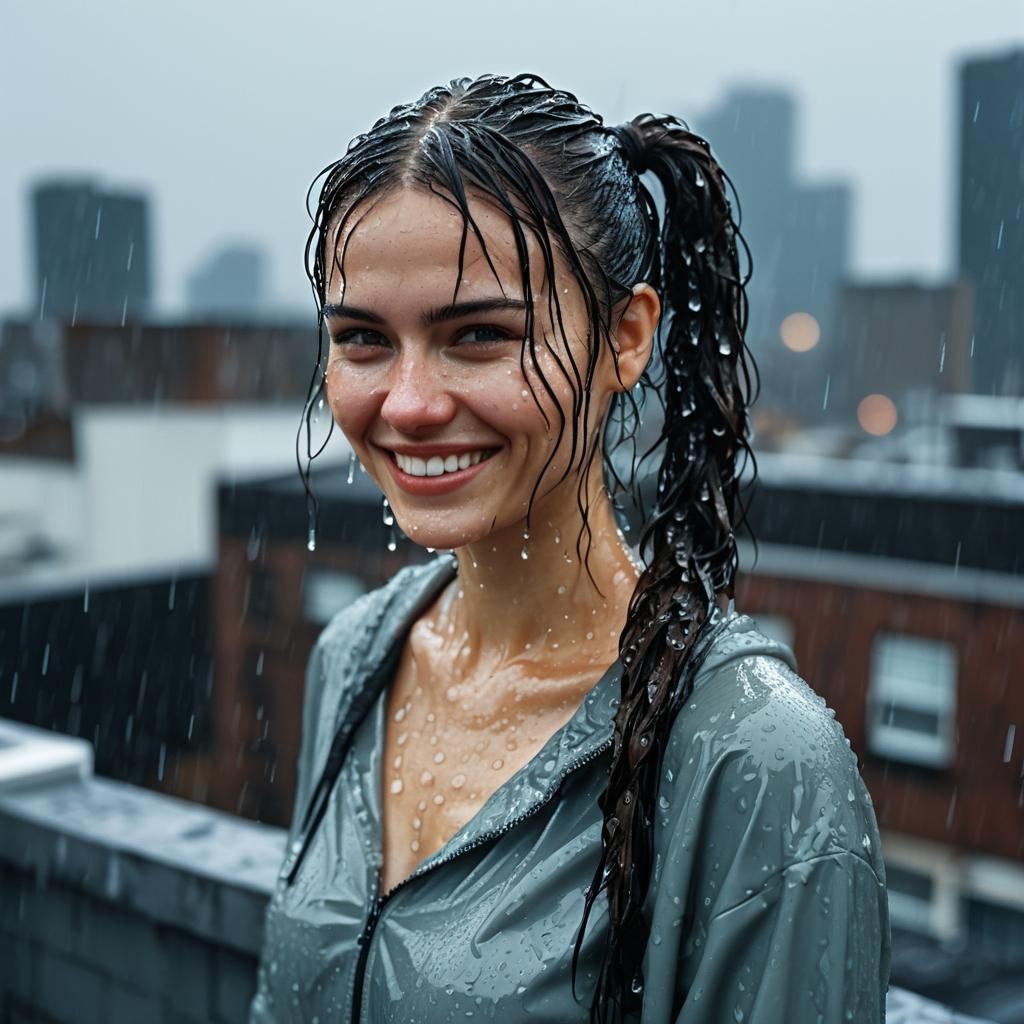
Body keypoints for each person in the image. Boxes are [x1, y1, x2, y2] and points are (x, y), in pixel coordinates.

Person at [249, 73, 890, 1023]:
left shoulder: (756, 760)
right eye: (363, 339)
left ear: (626, 338)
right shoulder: (353, 661)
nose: (409, 403)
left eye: (478, 334)